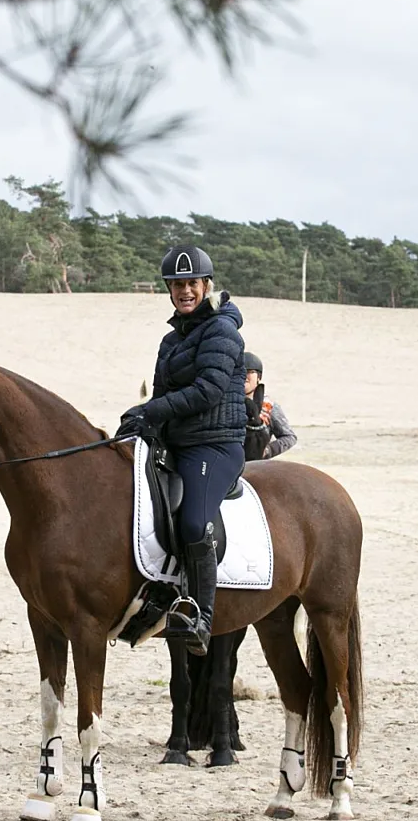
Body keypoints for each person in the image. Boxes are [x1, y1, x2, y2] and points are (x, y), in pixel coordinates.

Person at [117, 244, 246, 656]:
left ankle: (201, 617)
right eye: (177, 285)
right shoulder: (171, 340)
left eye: (191, 283)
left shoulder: (223, 331)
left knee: (192, 524)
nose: (184, 291)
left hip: (214, 446)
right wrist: (141, 425)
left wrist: (149, 409)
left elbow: (207, 391)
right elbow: (162, 394)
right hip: (175, 444)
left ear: (206, 285)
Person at [240, 352, 297, 460]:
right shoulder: (225, 403)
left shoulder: (269, 407)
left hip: (256, 463)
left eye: (250, 372)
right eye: (241, 372)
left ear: (258, 377)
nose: (245, 376)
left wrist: (268, 450)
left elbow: (289, 437)